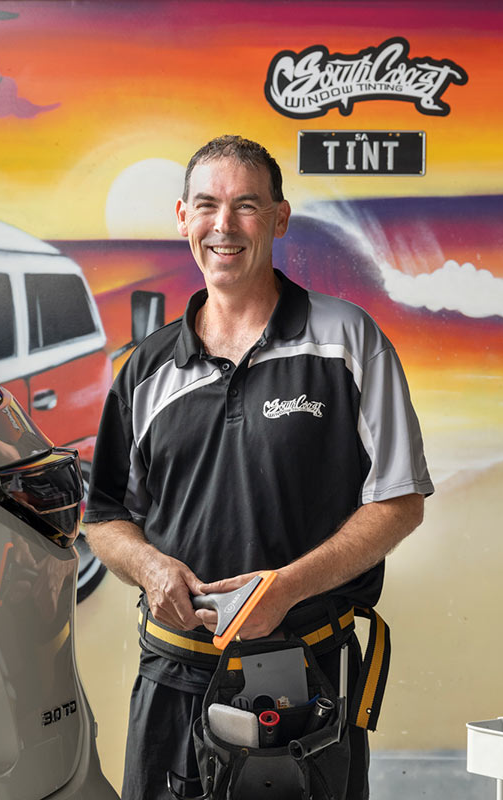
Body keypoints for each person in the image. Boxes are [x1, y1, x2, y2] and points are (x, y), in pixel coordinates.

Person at [82, 135, 433, 799]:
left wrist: (287, 589)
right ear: (182, 218)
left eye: (246, 206)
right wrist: (151, 568)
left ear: (279, 218)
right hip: (173, 681)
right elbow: (105, 519)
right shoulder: (145, 369)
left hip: (304, 681)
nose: (224, 225)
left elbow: (399, 500)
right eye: (207, 206)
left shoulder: (349, 342)